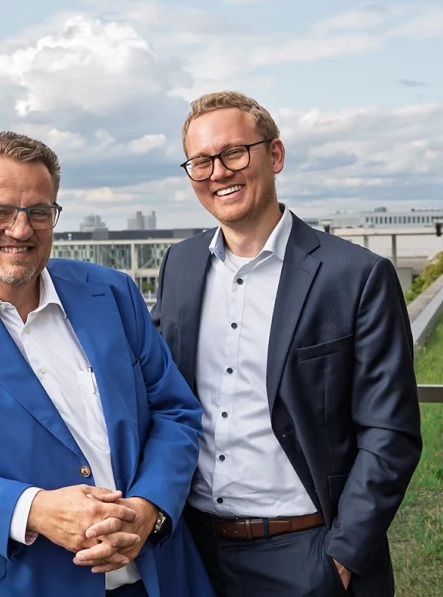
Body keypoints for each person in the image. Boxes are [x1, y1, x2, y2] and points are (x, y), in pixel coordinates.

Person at [0, 132, 215, 597]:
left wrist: (149, 507)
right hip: (32, 584)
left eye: (38, 211)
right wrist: (34, 509)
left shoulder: (111, 291)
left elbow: (175, 411)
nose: (21, 228)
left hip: (161, 576)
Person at [152, 91, 422, 596]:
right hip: (192, 552)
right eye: (201, 161)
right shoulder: (179, 266)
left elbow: (391, 433)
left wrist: (341, 556)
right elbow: (157, 395)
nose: (218, 173)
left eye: (234, 153)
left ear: (274, 155)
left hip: (306, 555)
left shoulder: (356, 276)